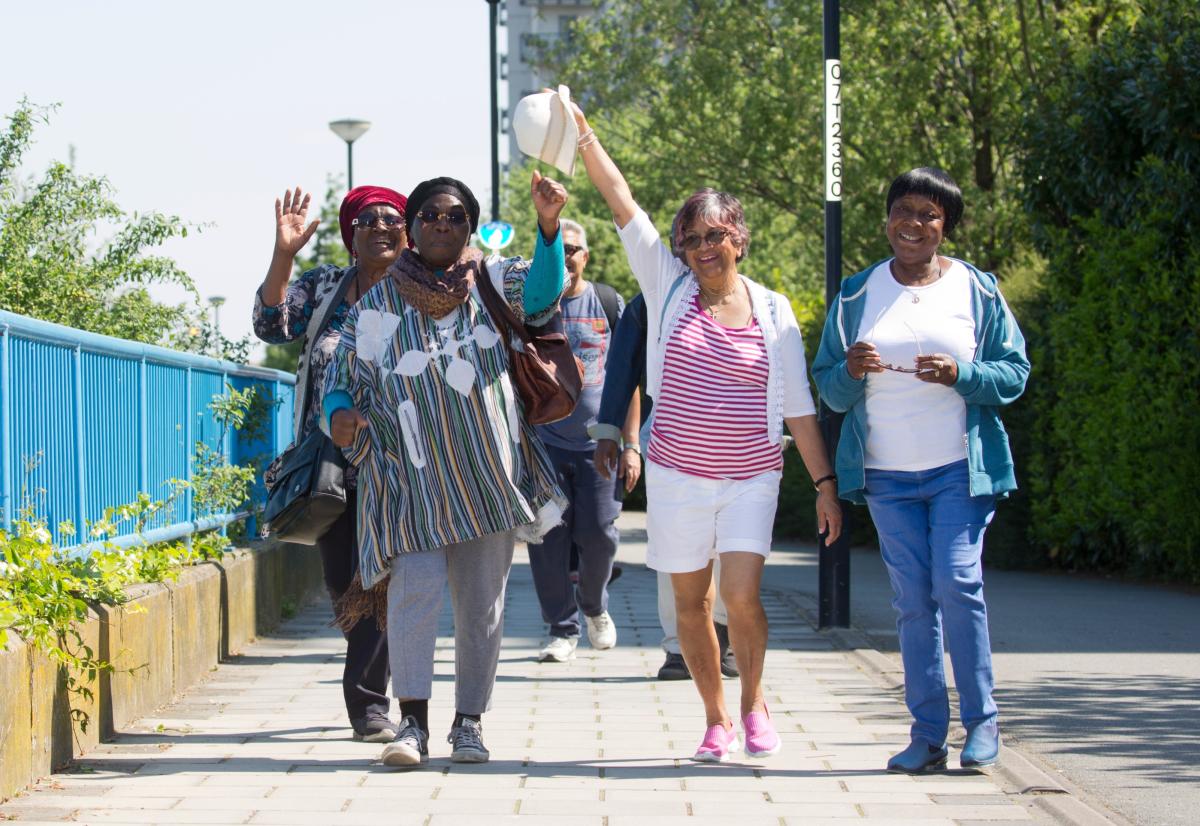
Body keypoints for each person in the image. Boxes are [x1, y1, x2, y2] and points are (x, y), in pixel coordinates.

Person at [572, 101, 843, 763]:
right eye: (690, 239)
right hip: (676, 476)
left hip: (751, 474)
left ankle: (753, 703)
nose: (701, 249)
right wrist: (582, 137)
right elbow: (620, 199)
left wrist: (825, 486)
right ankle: (715, 718)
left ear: (738, 239)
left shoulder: (774, 312)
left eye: (713, 236)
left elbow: (799, 408)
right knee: (691, 604)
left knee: (742, 595)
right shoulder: (666, 285)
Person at [322, 172, 569, 769]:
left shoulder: (491, 279)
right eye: (430, 215)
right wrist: (341, 415)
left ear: (468, 227)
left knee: (481, 606)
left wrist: (549, 228)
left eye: (455, 216)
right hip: (406, 478)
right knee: (413, 598)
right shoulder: (378, 302)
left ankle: (469, 724)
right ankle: (412, 726)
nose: (441, 224)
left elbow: (540, 294)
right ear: (412, 226)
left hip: (486, 477)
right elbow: (340, 376)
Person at [811, 167, 1030, 773]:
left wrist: (964, 375)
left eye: (930, 215)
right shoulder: (857, 294)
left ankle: (983, 725)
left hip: (960, 466)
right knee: (913, 601)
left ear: (946, 227)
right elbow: (827, 388)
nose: (914, 223)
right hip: (884, 475)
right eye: (904, 210)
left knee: (958, 584)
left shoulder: (977, 290)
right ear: (886, 220)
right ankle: (927, 734)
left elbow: (1014, 374)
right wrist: (851, 371)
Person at [253, 184, 407, 744]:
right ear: (351, 236)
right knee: (346, 581)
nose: (382, 227)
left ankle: (370, 705)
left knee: (389, 579)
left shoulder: (421, 290)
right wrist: (285, 255)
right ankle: (373, 693)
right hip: (332, 465)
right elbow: (271, 325)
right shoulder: (324, 288)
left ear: (408, 233)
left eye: (394, 219)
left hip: (403, 463)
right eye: (368, 220)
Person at [589, 293, 739, 682]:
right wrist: (613, 433)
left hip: (736, 441)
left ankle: (724, 634)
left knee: (730, 544)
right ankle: (677, 646)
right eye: (687, 238)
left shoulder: (750, 298)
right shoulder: (651, 301)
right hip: (670, 442)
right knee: (673, 544)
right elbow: (623, 368)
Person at [527, 218, 640, 663]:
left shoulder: (609, 303)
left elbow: (630, 378)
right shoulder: (533, 309)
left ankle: (593, 606)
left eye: (574, 250)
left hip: (601, 445)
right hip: (545, 444)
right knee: (547, 538)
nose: (567, 258)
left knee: (598, 535)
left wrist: (631, 444)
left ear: (585, 256)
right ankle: (561, 627)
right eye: (559, 251)